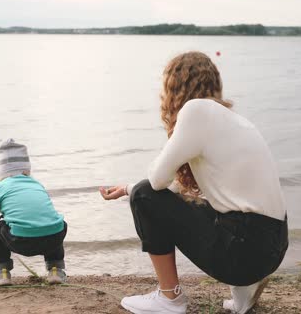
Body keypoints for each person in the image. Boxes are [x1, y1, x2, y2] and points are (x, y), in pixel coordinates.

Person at [100, 51, 288, 314]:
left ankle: (169, 298)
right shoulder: (232, 120)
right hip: (272, 247)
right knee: (200, 202)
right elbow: (179, 193)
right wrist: (127, 188)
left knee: (144, 194)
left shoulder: (196, 109)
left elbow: (156, 181)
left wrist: (136, 191)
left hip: (243, 252)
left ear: (175, 87)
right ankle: (243, 295)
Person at [0, 138, 68, 287]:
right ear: (27, 170)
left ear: (2, 172)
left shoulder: (1, 187)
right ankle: (56, 270)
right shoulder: (37, 184)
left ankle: (1, 273)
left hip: (20, 241)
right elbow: (43, 212)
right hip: (52, 239)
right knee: (56, 224)